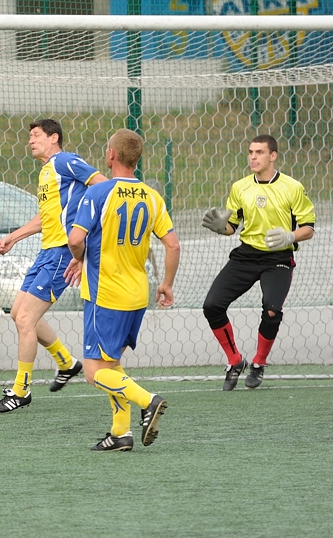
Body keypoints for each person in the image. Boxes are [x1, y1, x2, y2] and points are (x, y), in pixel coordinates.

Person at [64, 128, 181, 451]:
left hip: (105, 295)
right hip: (137, 295)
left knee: (93, 372)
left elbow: (75, 239)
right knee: (111, 364)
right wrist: (166, 284)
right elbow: (173, 245)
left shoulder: (99, 193)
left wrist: (80, 258)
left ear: (111, 154)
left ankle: (148, 400)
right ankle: (120, 433)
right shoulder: (152, 197)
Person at [0, 118, 107, 413]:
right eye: (29, 136)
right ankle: (66, 362)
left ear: (54, 138)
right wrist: (13, 237)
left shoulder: (65, 161)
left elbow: (103, 186)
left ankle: (21, 391)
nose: (30, 140)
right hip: (46, 252)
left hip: (63, 253)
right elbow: (45, 218)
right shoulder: (46, 172)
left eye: (36, 135)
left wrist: (87, 240)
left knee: (26, 320)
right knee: (17, 314)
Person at [201, 134, 315, 391]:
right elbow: (232, 226)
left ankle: (259, 363)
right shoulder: (240, 187)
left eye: (259, 152)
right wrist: (221, 227)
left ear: (273, 156)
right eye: (251, 152)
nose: (253, 157)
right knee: (212, 306)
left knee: (272, 309)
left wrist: (289, 236)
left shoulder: (292, 187)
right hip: (246, 255)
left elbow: (308, 228)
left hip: (278, 258)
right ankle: (234, 361)